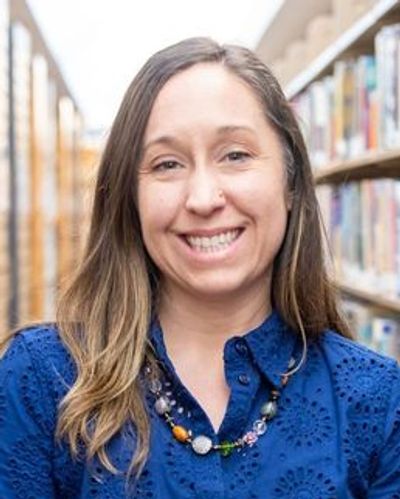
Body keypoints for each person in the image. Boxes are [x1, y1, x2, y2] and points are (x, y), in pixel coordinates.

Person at [0, 36, 399, 499]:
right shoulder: (42, 380)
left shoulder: (377, 401)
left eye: (235, 155)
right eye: (167, 164)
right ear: (130, 198)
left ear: (290, 182)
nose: (204, 198)